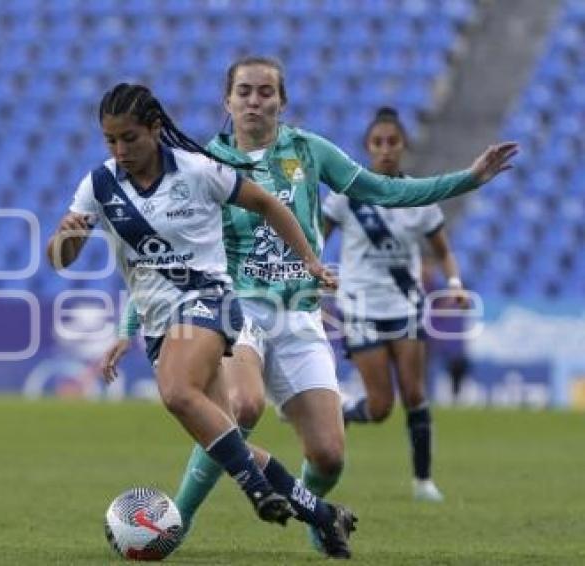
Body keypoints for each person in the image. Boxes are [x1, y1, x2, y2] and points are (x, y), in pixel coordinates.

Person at [103, 57, 517, 554]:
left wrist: (467, 179)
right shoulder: (202, 163)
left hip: (299, 316)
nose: (254, 101)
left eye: (265, 92)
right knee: (242, 406)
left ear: (282, 100)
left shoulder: (308, 151)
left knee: (328, 457)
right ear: (227, 101)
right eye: (244, 92)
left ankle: (313, 514)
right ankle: (176, 522)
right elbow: (160, 253)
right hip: (233, 310)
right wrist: (131, 323)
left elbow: (384, 190)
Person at [47, 82, 358, 558]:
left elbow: (268, 203)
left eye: (129, 137)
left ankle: (257, 492)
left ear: (154, 129)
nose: (119, 150)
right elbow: (60, 259)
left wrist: (310, 259)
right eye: (110, 140)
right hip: (159, 325)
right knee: (223, 436)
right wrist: (66, 238)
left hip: (208, 299)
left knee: (176, 391)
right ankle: (321, 512)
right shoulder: (99, 185)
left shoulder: (197, 170)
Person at [323, 106, 472, 502]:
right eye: (378, 143)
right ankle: (343, 412)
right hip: (359, 307)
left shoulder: (420, 198)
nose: (386, 150)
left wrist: (454, 283)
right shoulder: (345, 197)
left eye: (393, 142)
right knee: (381, 406)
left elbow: (442, 251)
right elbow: (314, 239)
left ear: (403, 146)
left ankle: (423, 482)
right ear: (367, 148)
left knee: (415, 394)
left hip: (405, 307)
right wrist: (312, 271)